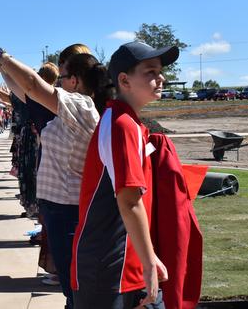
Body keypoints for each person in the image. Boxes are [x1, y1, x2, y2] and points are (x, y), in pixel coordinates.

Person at [0, 32, 113, 309]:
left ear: (75, 81)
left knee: (76, 288)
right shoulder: (71, 109)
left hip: (67, 209)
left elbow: (32, 84)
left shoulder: (80, 107)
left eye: (62, 77)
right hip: (62, 207)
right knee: (74, 287)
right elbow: (24, 91)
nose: (57, 82)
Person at [71, 42, 174, 308]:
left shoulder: (128, 122)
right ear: (125, 80)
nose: (160, 77)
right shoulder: (122, 125)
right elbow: (129, 201)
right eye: (150, 71)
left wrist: (148, 256)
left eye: (160, 71)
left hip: (121, 268)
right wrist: (149, 263)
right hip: (108, 272)